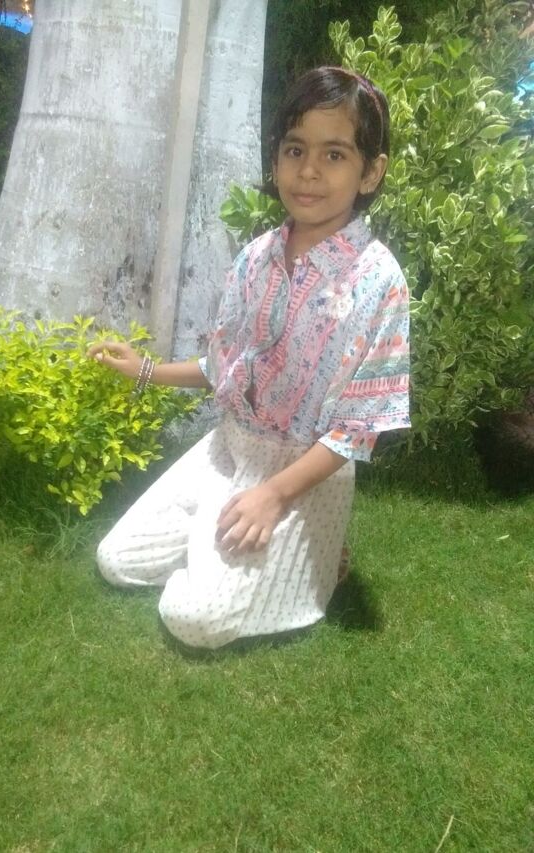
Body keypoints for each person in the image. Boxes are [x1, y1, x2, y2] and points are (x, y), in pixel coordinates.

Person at [88, 66, 411, 650]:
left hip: (301, 477)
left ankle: (312, 562)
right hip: (226, 450)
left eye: (334, 154)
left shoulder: (379, 281)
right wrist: (143, 370)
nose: (308, 171)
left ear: (371, 171)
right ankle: (226, 547)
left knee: (195, 619)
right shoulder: (255, 258)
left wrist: (272, 496)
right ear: (277, 158)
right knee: (116, 559)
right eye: (295, 149)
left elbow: (356, 431)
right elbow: (224, 369)